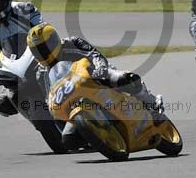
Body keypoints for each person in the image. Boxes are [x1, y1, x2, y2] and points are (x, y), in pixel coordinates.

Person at [27, 23, 164, 151]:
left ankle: (151, 102)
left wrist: (100, 68)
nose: (42, 53)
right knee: (68, 140)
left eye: (44, 47)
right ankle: (95, 136)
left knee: (127, 79)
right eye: (37, 50)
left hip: (95, 76)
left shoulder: (73, 42)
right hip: (72, 96)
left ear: (54, 40)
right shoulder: (41, 72)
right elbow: (48, 95)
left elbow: (95, 55)